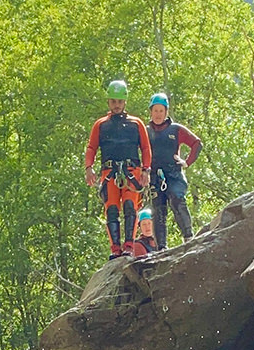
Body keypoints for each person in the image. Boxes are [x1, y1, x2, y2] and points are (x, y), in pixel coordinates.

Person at [85, 82, 152, 259]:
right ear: (108, 102)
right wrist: (89, 168)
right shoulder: (100, 125)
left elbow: (145, 148)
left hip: (132, 171)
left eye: (120, 102)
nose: (117, 105)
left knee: (130, 207)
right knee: (112, 210)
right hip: (110, 173)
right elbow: (91, 147)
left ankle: (129, 245)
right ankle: (115, 248)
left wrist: (146, 170)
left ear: (125, 102)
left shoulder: (136, 123)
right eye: (114, 101)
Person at [147, 93, 202, 248]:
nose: (158, 114)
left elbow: (197, 144)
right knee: (158, 210)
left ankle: (188, 237)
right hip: (154, 175)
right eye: (155, 110)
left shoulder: (175, 129)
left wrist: (187, 162)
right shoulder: (145, 131)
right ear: (151, 112)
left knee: (177, 198)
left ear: (166, 112)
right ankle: (161, 247)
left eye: (161, 111)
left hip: (173, 173)